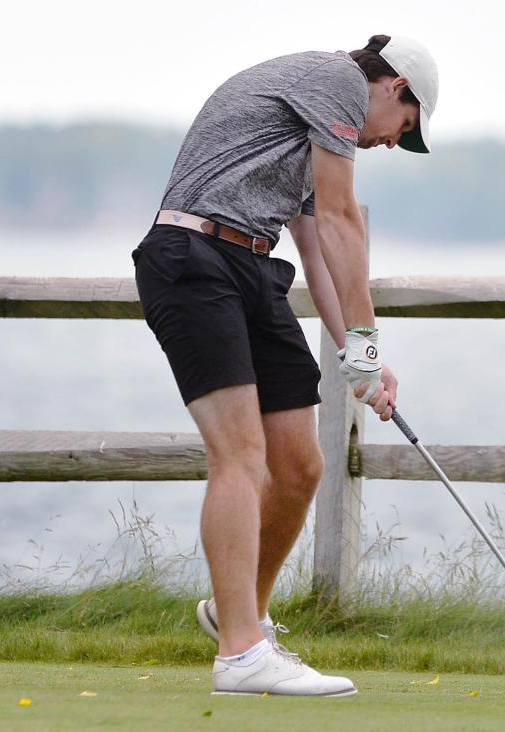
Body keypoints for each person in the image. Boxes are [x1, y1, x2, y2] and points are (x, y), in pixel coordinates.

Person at [131, 34, 438, 697]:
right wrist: (363, 345)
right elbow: (341, 222)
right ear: (391, 87)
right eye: (404, 127)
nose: (391, 143)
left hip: (250, 266)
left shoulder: (309, 137)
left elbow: (318, 249)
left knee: (300, 465)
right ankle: (241, 657)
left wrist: (365, 360)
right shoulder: (337, 81)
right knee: (241, 454)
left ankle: (239, 618)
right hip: (190, 255)